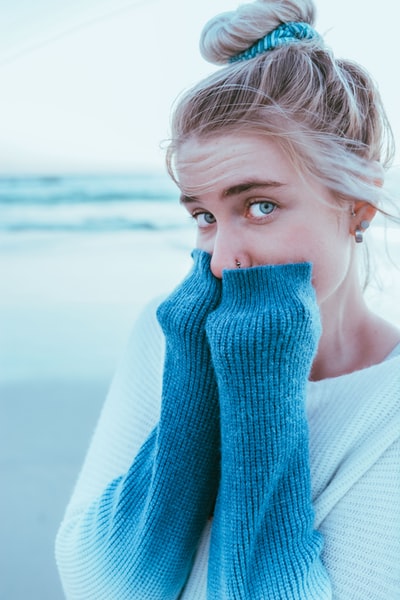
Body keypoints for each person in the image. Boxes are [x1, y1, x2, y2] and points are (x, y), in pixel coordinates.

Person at [55, 0, 400, 598]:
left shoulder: (388, 408)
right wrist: (193, 377)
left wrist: (260, 388)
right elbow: (99, 583)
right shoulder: (173, 331)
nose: (220, 258)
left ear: (357, 206)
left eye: (260, 206)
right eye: (205, 215)